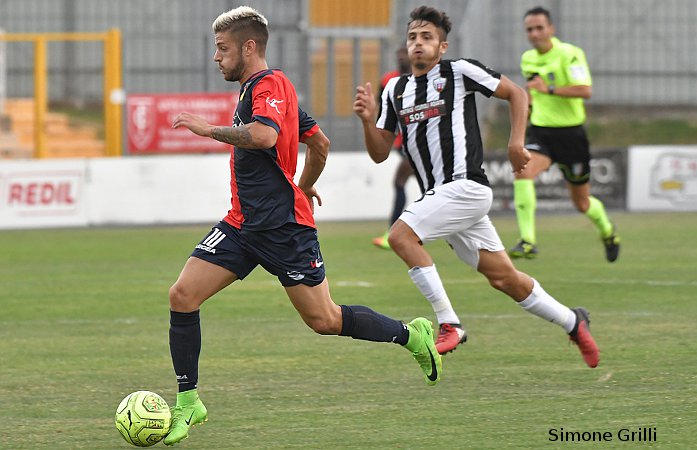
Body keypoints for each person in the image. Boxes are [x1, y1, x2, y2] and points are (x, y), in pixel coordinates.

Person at [165, 6, 441, 446]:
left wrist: (208, 130)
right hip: (242, 226)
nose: (216, 57)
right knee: (182, 295)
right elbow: (319, 141)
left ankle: (412, 335)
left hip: (283, 230)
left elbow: (265, 136)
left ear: (248, 47)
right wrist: (305, 182)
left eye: (222, 48)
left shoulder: (270, 85)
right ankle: (188, 402)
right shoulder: (258, 91)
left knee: (325, 320)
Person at [353, 5, 600, 361]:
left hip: (467, 185)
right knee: (505, 279)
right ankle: (573, 322)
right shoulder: (395, 89)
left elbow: (517, 93)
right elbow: (379, 153)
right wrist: (367, 120)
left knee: (400, 236)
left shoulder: (459, 72)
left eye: (427, 37)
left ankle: (449, 323)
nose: (418, 44)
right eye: (412, 37)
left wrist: (516, 142)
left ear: (442, 47)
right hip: (442, 198)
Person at [509, 6, 620, 261]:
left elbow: (584, 90)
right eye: (529, 30)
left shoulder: (570, 54)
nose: (535, 34)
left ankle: (607, 230)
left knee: (582, 203)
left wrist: (548, 88)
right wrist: (525, 118)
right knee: (522, 170)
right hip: (541, 133)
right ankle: (528, 240)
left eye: (539, 28)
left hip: (571, 136)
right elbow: (533, 96)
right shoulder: (528, 58)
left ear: (551, 29)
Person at [372, 47, 413, 250]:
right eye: (398, 53)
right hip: (400, 142)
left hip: (417, 141)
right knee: (426, 186)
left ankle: (394, 233)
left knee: (400, 181)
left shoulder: (422, 80)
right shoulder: (388, 80)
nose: (400, 56)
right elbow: (382, 112)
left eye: (404, 53)